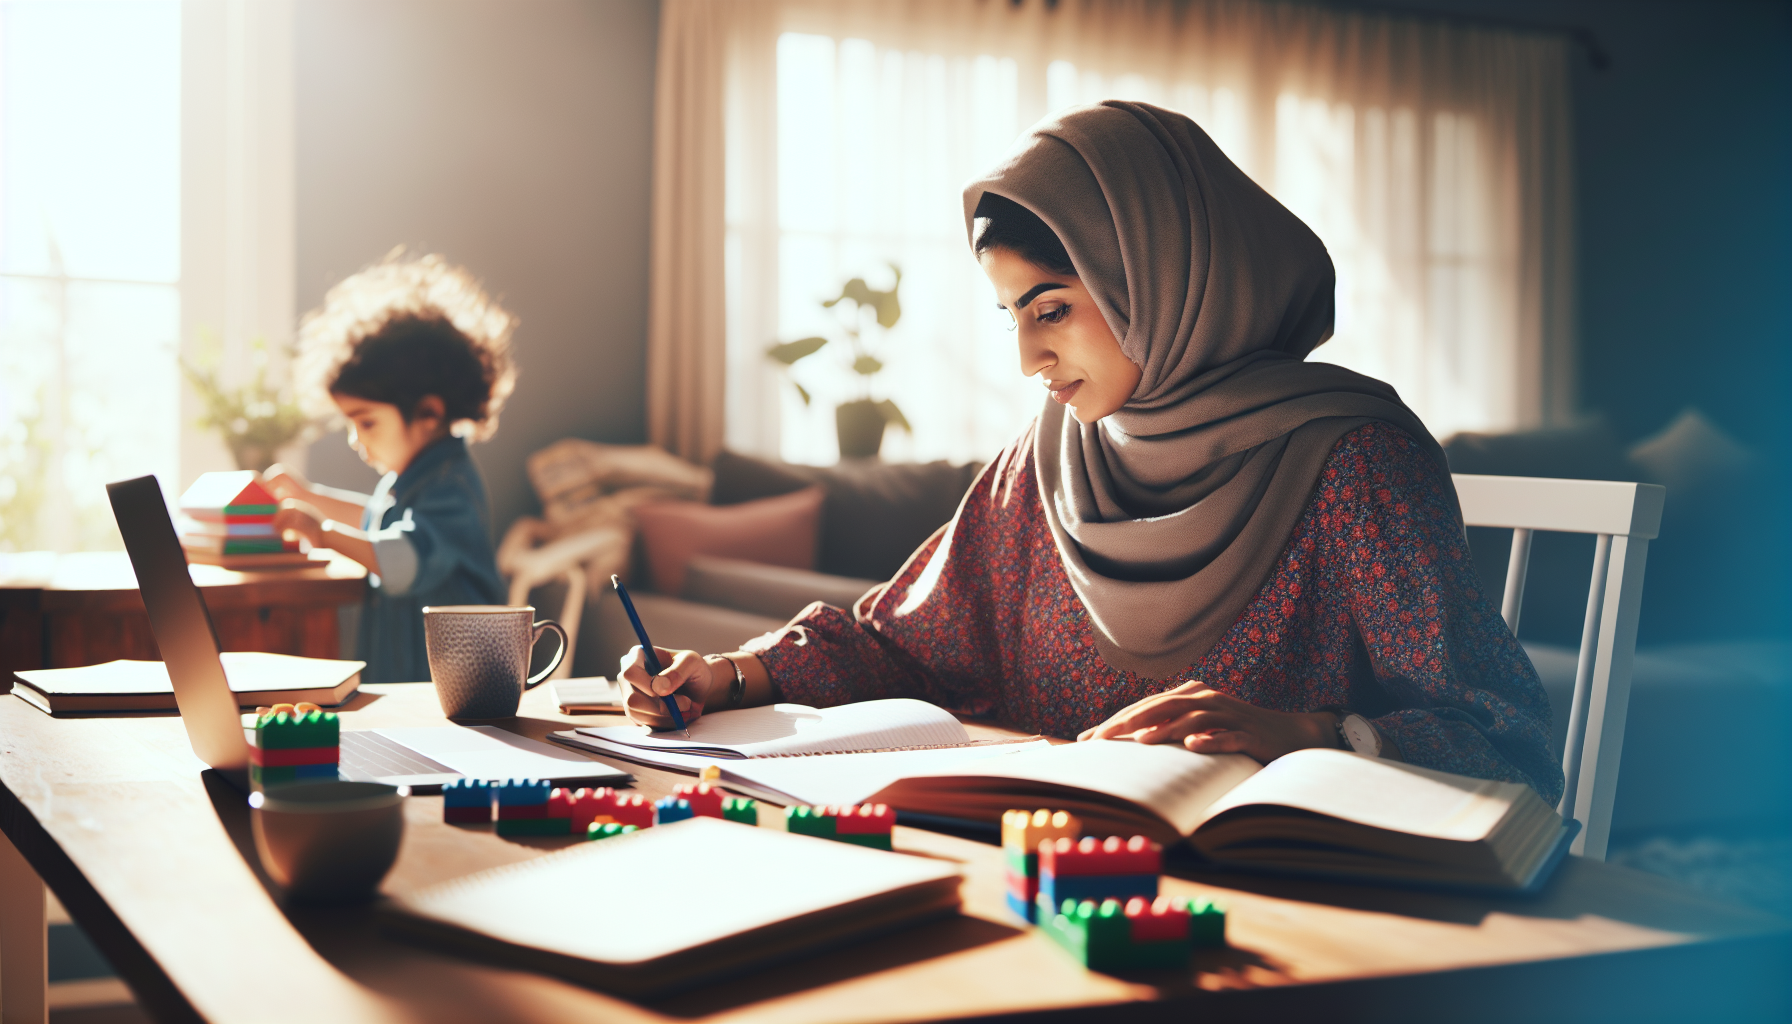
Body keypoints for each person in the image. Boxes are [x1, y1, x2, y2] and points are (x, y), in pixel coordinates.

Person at [619, 102, 1561, 804]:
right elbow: (902, 643)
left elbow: (1501, 743)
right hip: (1047, 876)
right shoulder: (1049, 463)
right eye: (1013, 318)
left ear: (1159, 275)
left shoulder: (1354, 463)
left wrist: (1304, 735)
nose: (1029, 358)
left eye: (1053, 309)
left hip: (1283, 907)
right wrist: (733, 675)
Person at [265, 253, 515, 685]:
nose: (354, 438)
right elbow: (374, 522)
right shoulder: (412, 479)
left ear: (429, 413)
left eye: (366, 422)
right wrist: (308, 496)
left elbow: (401, 559)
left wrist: (322, 533)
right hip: (412, 680)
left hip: (460, 689)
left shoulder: (451, 486)